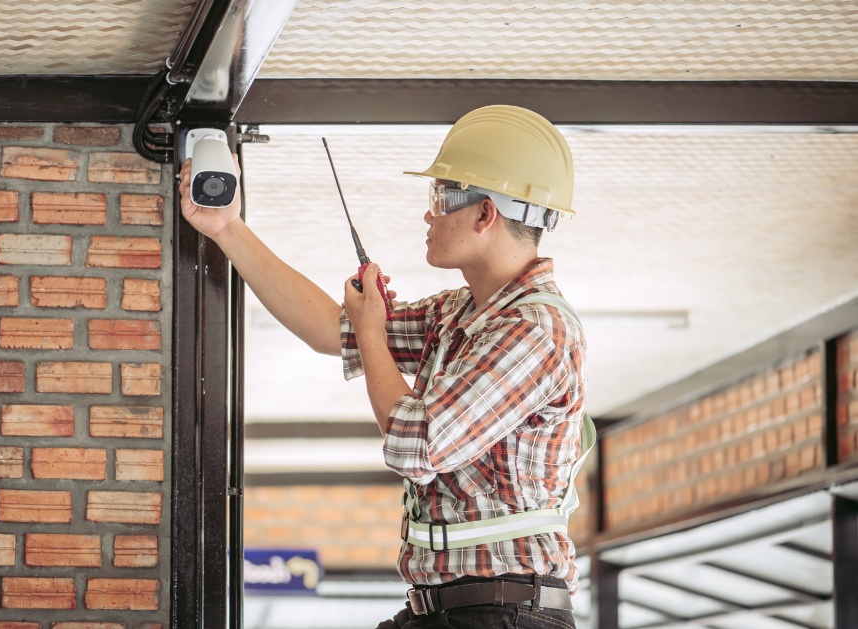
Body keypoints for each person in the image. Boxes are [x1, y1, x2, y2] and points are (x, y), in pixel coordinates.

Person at [179, 105, 589, 629]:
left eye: (440, 198)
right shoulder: (459, 312)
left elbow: (417, 445)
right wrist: (227, 227)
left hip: (504, 615)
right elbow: (332, 330)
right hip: (451, 609)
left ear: (485, 214)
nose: (429, 215)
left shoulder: (536, 331)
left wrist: (372, 330)